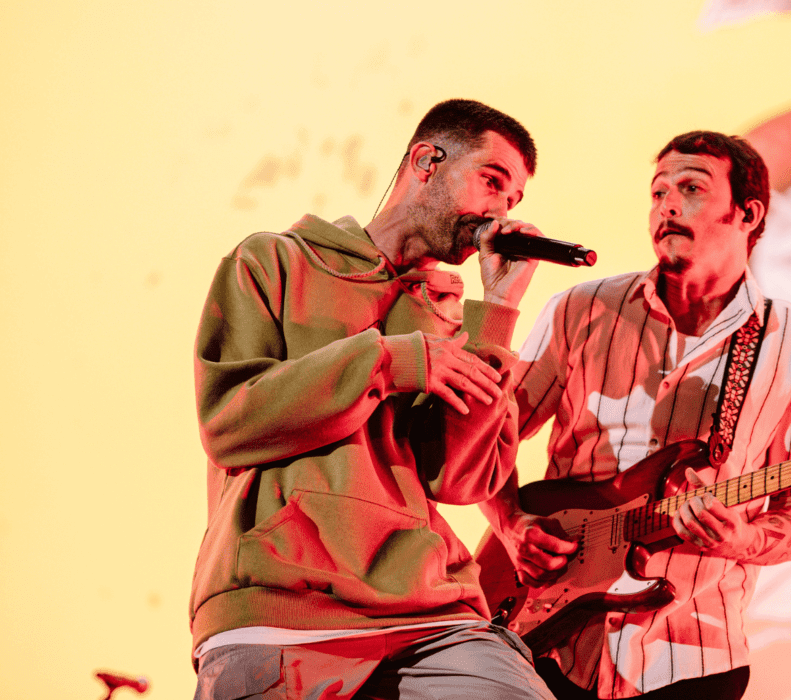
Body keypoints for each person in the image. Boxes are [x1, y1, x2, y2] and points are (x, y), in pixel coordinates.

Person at [188, 98, 556, 700]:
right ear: (426, 160)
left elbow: (458, 481)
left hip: (430, 611)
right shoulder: (276, 260)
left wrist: (499, 313)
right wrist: (392, 360)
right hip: (280, 604)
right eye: (492, 182)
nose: (497, 211)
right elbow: (231, 420)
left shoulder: (451, 321)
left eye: (511, 201)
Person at [480, 131, 791, 699]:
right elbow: (481, 441)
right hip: (545, 641)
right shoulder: (580, 309)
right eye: (657, 192)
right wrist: (511, 525)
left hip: (693, 657)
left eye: (691, 188)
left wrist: (741, 537)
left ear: (748, 213)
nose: (666, 205)